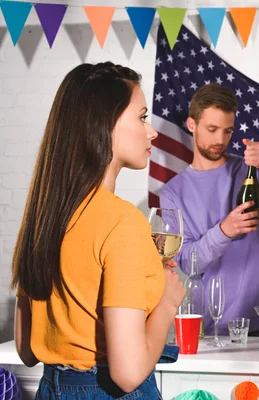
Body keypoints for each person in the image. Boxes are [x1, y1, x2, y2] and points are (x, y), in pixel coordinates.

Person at [11, 62, 186, 399]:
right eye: (142, 117)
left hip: (51, 389)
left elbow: (27, 350)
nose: (152, 132)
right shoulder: (123, 222)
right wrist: (167, 302)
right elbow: (128, 374)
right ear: (105, 125)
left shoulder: (44, 216)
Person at [159, 83, 259, 335]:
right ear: (191, 125)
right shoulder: (172, 193)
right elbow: (188, 263)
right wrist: (224, 230)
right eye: (212, 129)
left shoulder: (250, 169)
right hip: (219, 325)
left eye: (227, 131)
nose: (220, 140)